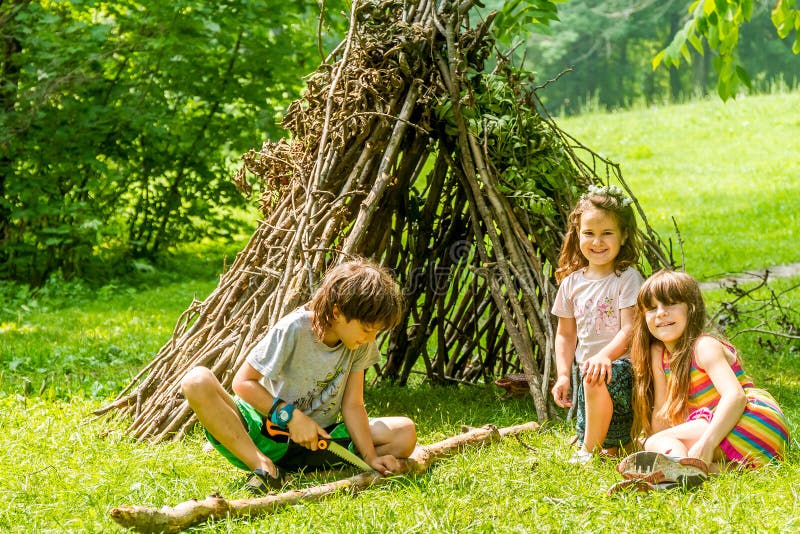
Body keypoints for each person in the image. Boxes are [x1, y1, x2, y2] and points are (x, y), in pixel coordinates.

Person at [181, 259, 417, 493]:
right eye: (367, 329)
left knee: (404, 432)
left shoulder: (359, 344)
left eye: (376, 332)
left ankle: (292, 471)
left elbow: (353, 405)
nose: (371, 338)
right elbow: (242, 383)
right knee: (196, 381)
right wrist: (291, 417)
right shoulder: (293, 329)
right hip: (266, 435)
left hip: (320, 441)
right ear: (337, 312)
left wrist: (370, 457)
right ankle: (264, 468)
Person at [619, 269, 789, 485]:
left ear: (691, 309)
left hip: (751, 419)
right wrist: (649, 443)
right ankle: (685, 477)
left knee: (661, 442)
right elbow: (663, 414)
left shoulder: (704, 346)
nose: (661, 313)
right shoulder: (661, 357)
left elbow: (735, 397)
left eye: (670, 304)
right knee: (659, 442)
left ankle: (677, 469)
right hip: (749, 445)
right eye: (652, 308)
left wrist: (706, 443)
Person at [551, 184, 644, 463]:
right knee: (592, 384)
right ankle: (601, 445)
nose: (597, 242)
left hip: (624, 367)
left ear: (623, 235)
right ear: (577, 234)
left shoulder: (626, 278)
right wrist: (564, 374)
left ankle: (587, 453)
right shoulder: (571, 284)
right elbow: (565, 335)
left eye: (607, 234)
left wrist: (605, 356)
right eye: (589, 233)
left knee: (598, 378)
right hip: (589, 371)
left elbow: (630, 328)